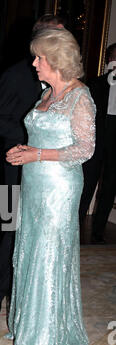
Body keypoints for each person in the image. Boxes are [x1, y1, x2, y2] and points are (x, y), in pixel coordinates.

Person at [5, 28, 104, 345]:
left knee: (49, 252)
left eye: (39, 58)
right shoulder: (46, 94)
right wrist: (25, 151)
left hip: (60, 186)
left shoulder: (81, 97)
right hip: (35, 183)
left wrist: (38, 155)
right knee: (31, 247)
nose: (34, 63)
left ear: (57, 60)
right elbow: (39, 135)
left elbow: (85, 149)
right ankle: (28, 325)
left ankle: (44, 339)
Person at [0, 14, 66, 314]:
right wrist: (32, 138)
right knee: (11, 226)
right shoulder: (16, 74)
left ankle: (32, 293)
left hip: (51, 168)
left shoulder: (65, 81)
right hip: (17, 162)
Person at [87, 43, 116, 244]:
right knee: (87, 183)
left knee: (110, 185)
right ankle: (76, 225)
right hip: (96, 137)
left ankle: (98, 231)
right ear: (108, 60)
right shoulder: (96, 84)